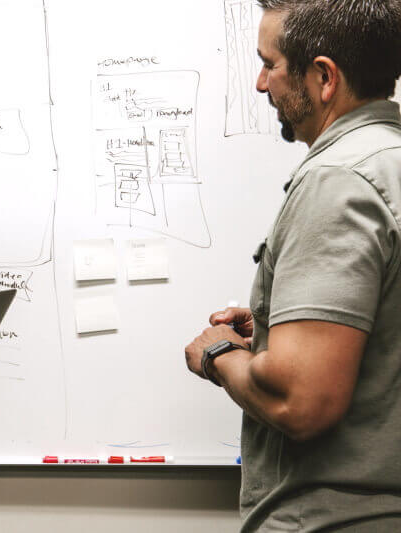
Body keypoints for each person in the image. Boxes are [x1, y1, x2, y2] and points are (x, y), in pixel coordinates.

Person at [184, 0, 401, 531]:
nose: (261, 84)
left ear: (324, 77)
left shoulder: (338, 180)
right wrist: (282, 327)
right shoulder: (390, 161)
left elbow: (302, 401)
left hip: (333, 517)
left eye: (271, 64)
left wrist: (217, 356)